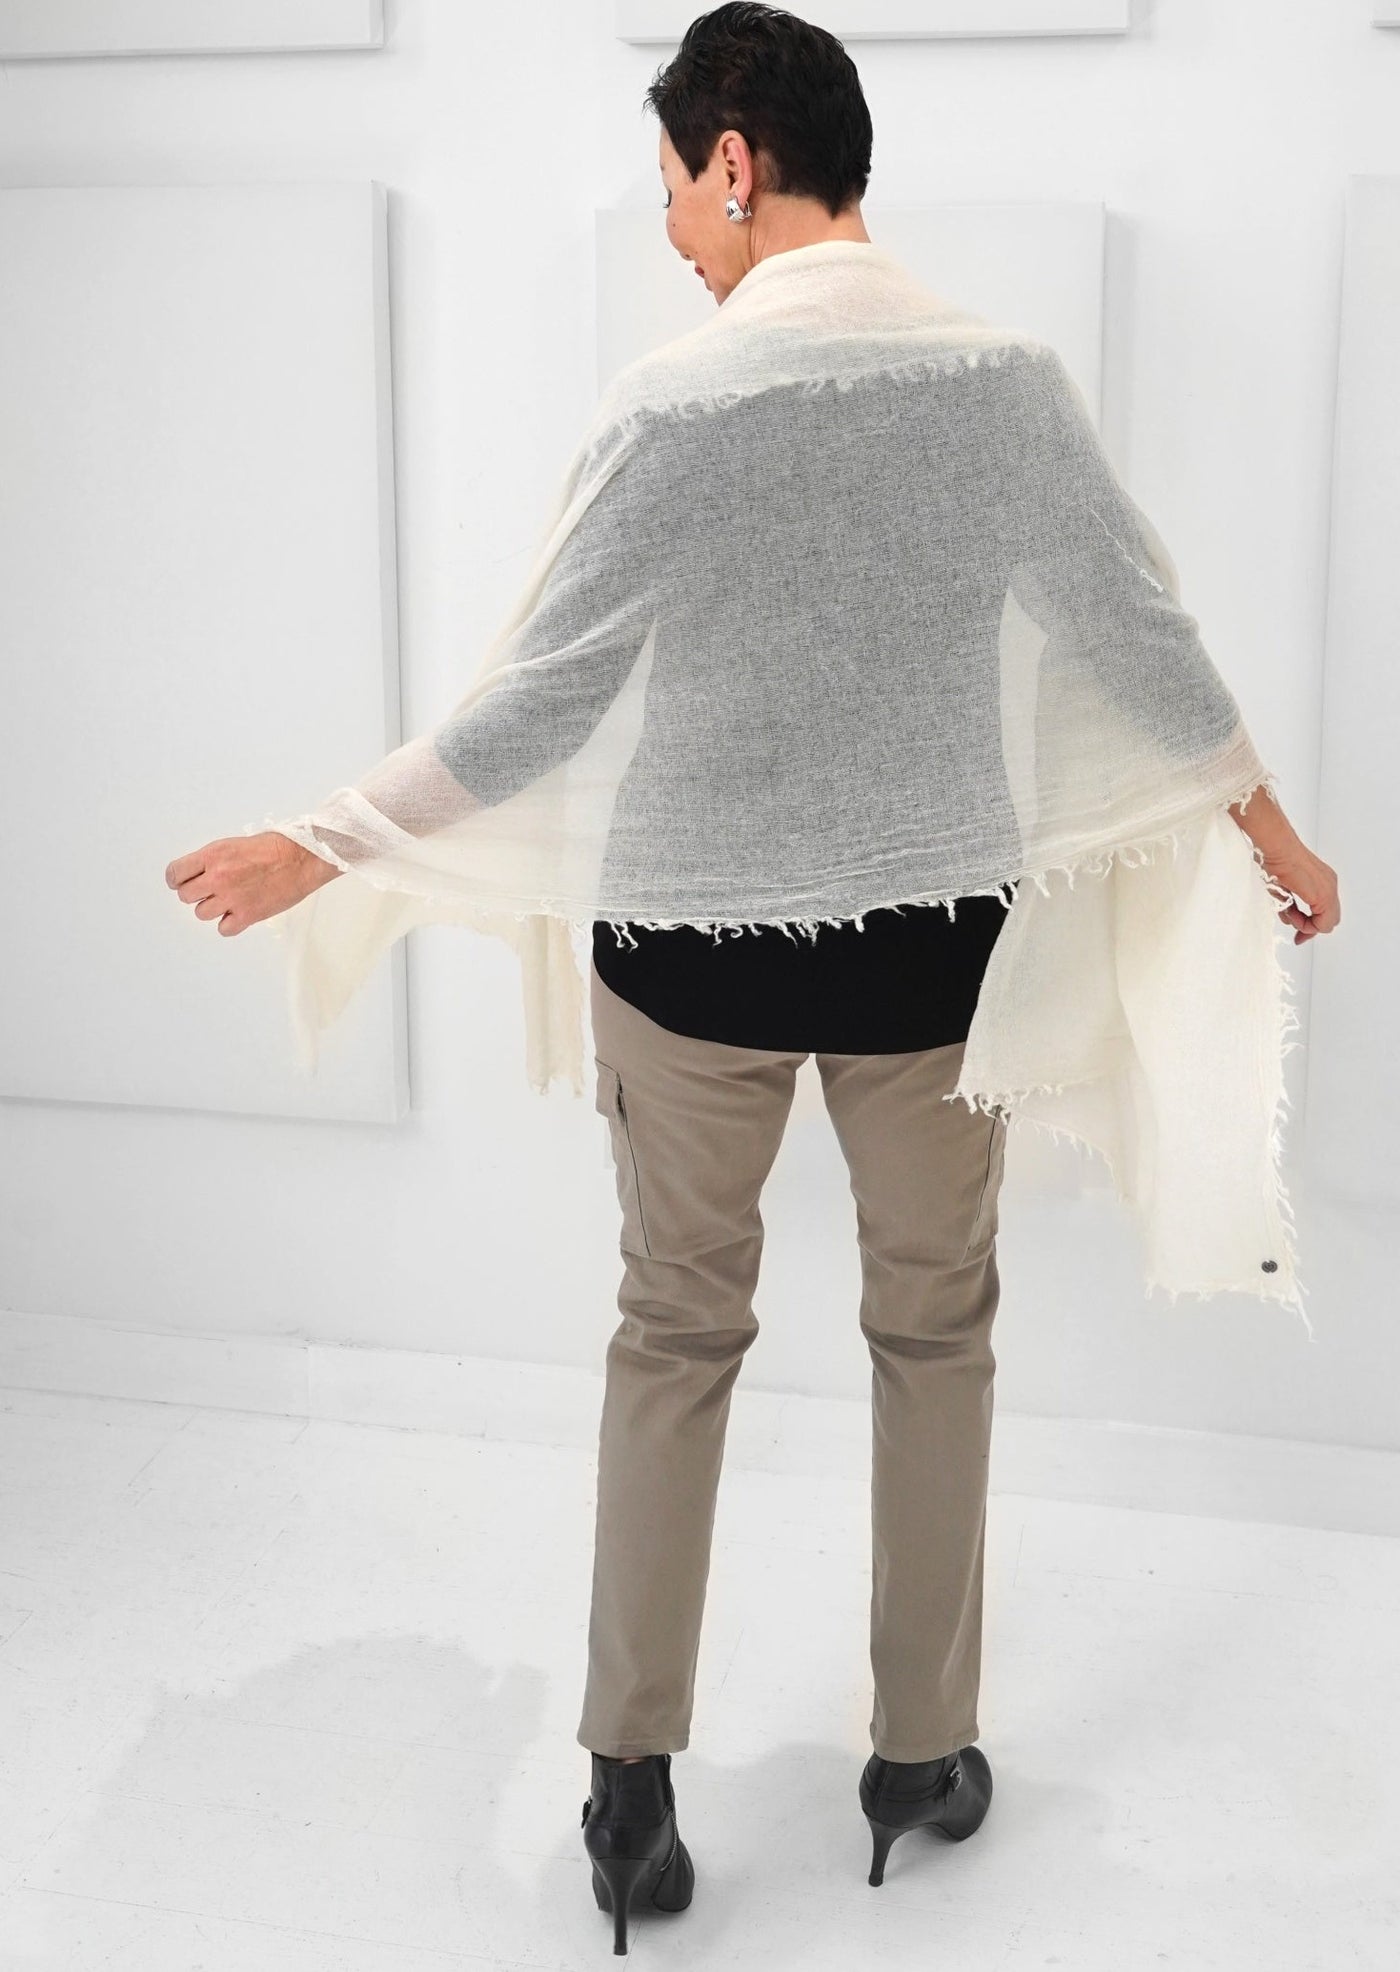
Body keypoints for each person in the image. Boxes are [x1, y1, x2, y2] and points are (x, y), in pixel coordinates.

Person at [165, 2, 1339, 1948]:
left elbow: (538, 706)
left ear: (736, 158)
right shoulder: (1009, 387)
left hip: (687, 957)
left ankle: (630, 1788)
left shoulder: (671, 407)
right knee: (935, 1333)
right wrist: (1272, 831)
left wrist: (325, 839)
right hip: (925, 955)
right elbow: (1139, 639)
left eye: (671, 193)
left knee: (672, 1332)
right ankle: (921, 1755)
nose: (672, 237)